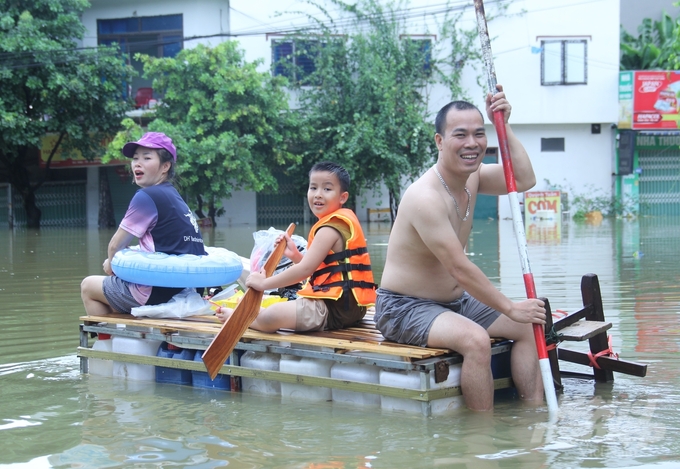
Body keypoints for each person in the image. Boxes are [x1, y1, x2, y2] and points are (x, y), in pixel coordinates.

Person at [374, 85, 546, 412]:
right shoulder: (425, 197)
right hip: (404, 308)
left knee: (526, 326)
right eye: (460, 134)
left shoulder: (473, 177)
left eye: (479, 134)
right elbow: (458, 267)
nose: (472, 143)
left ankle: (533, 417)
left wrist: (503, 125)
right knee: (476, 340)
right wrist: (510, 306)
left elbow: (524, 180)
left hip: (455, 302)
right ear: (440, 141)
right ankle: (481, 438)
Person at [216, 161, 376, 333]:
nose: (318, 195)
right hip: (351, 309)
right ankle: (258, 313)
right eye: (313, 188)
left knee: (274, 314)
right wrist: (295, 256)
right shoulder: (336, 223)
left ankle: (239, 317)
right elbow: (324, 267)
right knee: (280, 307)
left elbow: (305, 270)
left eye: (327, 189)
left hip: (331, 309)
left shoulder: (329, 228)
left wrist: (264, 283)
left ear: (342, 197)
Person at [80, 132, 206, 316]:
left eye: (146, 158)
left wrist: (111, 265)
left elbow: (115, 245)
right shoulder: (175, 197)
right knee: (112, 301)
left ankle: (107, 339)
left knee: (88, 286)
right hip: (185, 290)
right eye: (135, 158)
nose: (137, 164)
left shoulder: (146, 197)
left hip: (156, 292)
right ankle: (125, 332)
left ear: (165, 166)